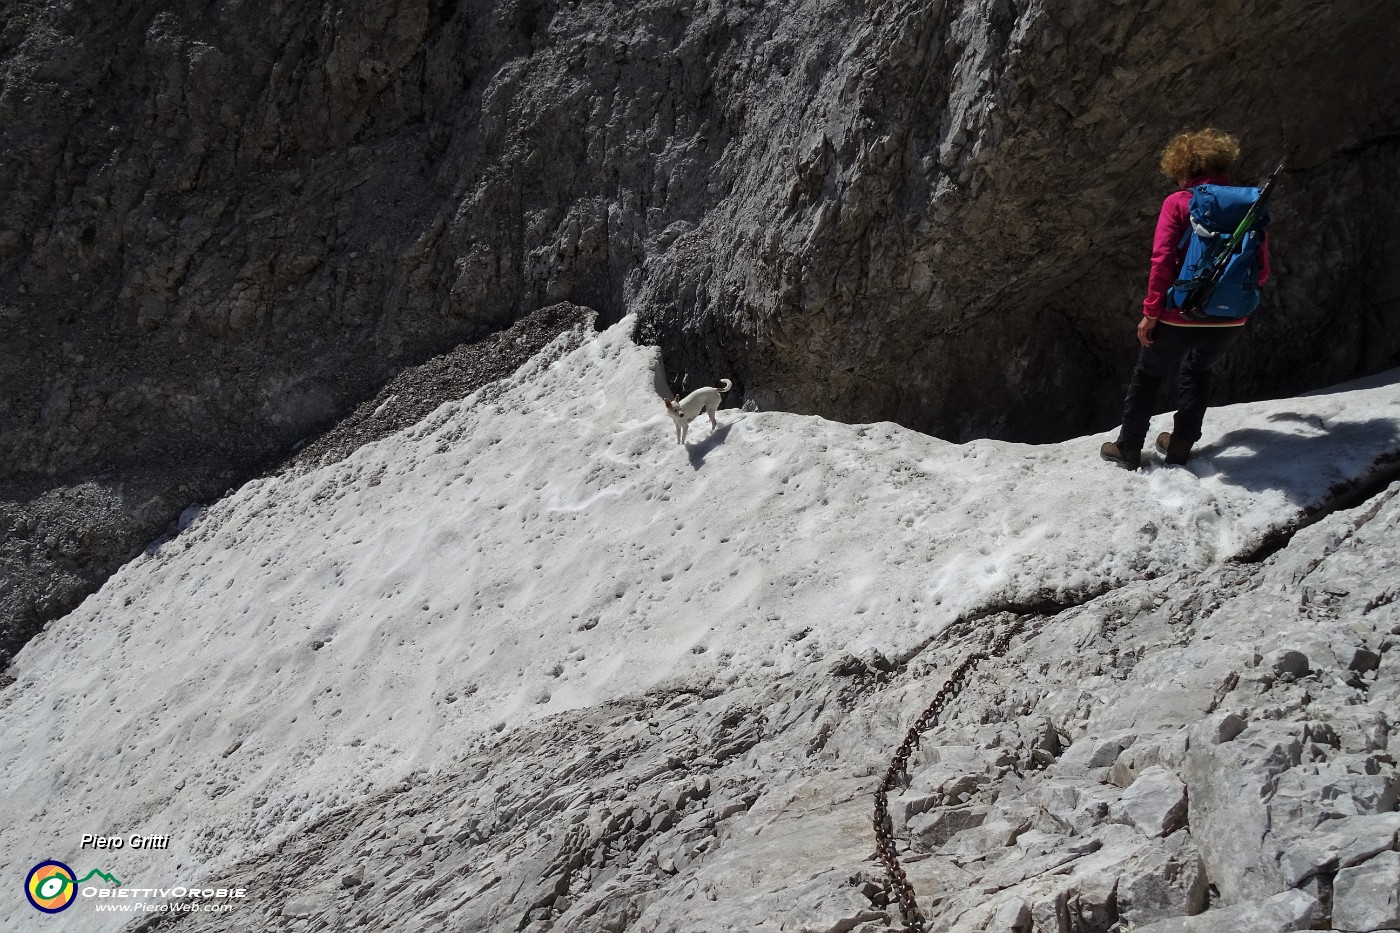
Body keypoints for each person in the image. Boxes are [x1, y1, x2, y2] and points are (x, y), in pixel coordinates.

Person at [1101, 128, 1270, 470]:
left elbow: (1162, 260)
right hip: (1231, 317)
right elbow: (1261, 265)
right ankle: (1179, 446)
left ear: (1182, 167)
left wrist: (1151, 312)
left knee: (1148, 376)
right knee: (1198, 371)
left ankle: (1129, 448)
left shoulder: (1178, 202)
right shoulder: (1249, 202)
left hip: (1179, 313)